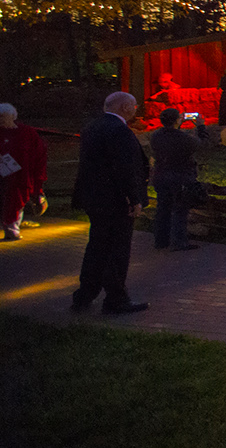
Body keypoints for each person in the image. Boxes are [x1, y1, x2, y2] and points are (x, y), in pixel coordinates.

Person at [71, 92, 151, 314]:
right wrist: (134, 199)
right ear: (126, 107)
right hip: (115, 201)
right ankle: (116, 299)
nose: (136, 109)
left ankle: (85, 294)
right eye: (134, 105)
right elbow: (125, 168)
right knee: (116, 250)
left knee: (96, 246)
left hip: (94, 197)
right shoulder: (119, 131)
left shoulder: (92, 127)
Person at [150, 108, 201, 252]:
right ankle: (179, 241)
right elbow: (200, 143)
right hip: (180, 177)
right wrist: (200, 127)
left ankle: (161, 240)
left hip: (161, 175)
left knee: (163, 209)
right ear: (177, 120)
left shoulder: (156, 136)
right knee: (179, 210)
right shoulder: (182, 138)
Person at [0, 102, 47, 241]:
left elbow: (39, 153)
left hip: (20, 175)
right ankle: (10, 228)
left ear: (12, 117)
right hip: (3, 176)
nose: (1, 120)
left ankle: (12, 229)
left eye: (4, 117)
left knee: (16, 201)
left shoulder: (26, 132)